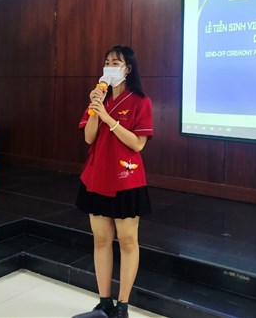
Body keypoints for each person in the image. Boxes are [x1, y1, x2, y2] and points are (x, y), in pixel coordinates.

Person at [76, 45, 153, 318]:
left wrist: (109, 118)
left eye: (116, 62)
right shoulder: (99, 98)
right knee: (101, 240)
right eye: (107, 61)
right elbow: (89, 137)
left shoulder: (140, 101)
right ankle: (105, 302)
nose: (110, 66)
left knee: (128, 241)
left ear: (127, 69)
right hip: (97, 177)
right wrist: (95, 109)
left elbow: (137, 144)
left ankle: (122, 306)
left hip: (126, 180)